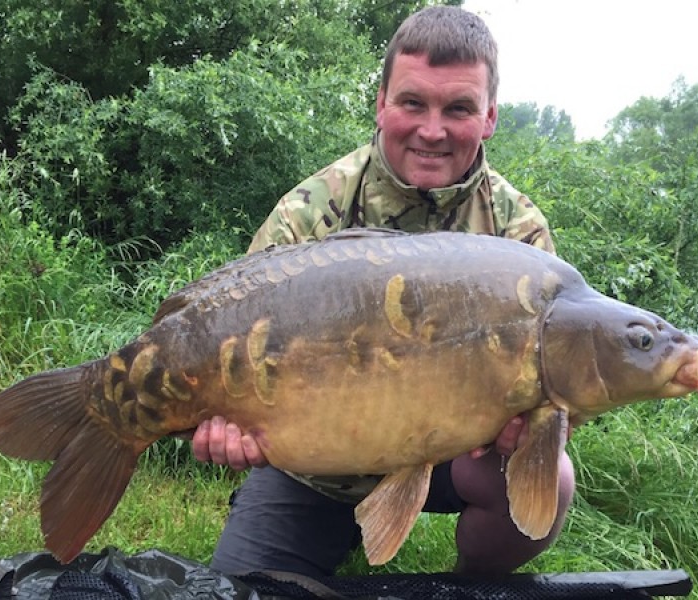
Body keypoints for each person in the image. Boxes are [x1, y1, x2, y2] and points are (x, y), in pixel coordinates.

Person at [193, 5, 575, 578]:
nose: (432, 129)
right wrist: (225, 423)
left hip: (454, 456)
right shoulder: (313, 211)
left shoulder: (518, 233)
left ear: (490, 116)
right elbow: (237, 341)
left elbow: (568, 369)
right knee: (241, 587)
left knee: (556, 478)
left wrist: (536, 418)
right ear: (381, 103)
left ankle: (471, 584)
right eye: (413, 102)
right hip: (313, 463)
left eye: (459, 108)